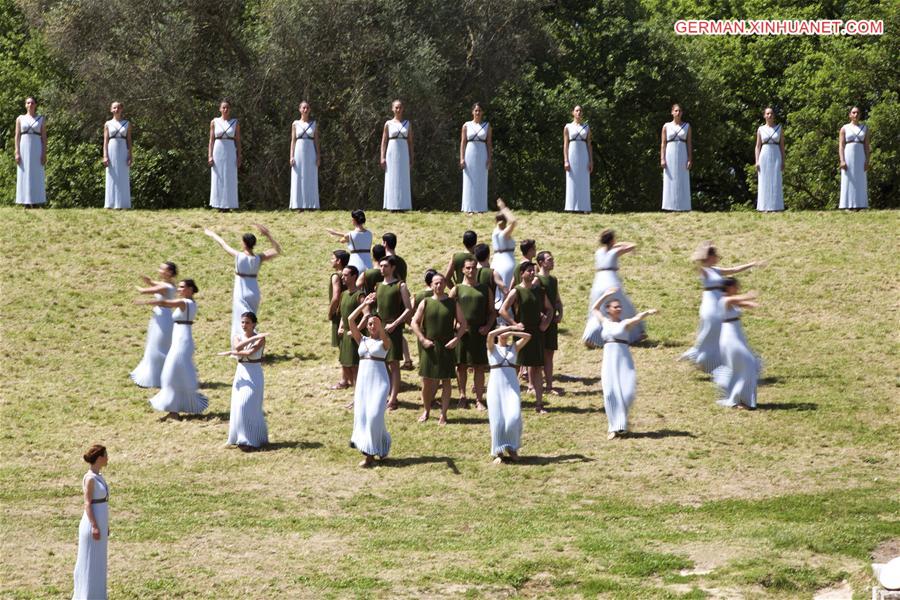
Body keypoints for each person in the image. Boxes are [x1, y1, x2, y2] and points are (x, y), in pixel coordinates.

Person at [680, 242, 763, 373]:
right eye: (715, 255)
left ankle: (711, 360)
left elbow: (734, 270)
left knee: (719, 332)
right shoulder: (705, 271)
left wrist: (751, 264)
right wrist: (703, 250)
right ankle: (698, 355)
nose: (717, 257)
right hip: (710, 305)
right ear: (709, 256)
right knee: (711, 330)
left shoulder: (715, 270)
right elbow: (694, 263)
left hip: (718, 303)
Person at [591, 288, 657, 439]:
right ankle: (613, 427)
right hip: (609, 361)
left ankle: (622, 424)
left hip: (624, 360)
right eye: (615, 306)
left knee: (627, 391)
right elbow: (595, 308)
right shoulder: (605, 322)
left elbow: (637, 318)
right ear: (608, 310)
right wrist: (606, 295)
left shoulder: (625, 323)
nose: (619, 309)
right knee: (610, 392)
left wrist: (648, 312)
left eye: (620, 306)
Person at [138, 279, 208, 418]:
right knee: (172, 374)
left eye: (182, 287)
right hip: (180, 338)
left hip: (182, 340)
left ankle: (176, 408)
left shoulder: (185, 302)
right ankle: (174, 410)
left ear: (190, 289)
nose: (179, 289)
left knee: (170, 374)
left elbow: (166, 303)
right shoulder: (189, 303)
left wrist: (146, 302)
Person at [204, 224, 282, 343]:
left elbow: (223, 244)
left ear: (244, 243)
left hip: (241, 292)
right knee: (251, 320)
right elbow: (277, 250)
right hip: (254, 292)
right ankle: (252, 344)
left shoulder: (238, 256)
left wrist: (213, 234)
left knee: (241, 320)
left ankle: (242, 346)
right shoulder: (259, 258)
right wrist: (268, 234)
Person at [411, 273, 468, 424]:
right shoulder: (426, 302)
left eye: (441, 282)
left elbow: (463, 324)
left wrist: (456, 339)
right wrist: (422, 339)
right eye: (435, 283)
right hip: (430, 347)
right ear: (431, 285)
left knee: (446, 381)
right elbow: (414, 322)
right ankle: (426, 410)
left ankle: (443, 414)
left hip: (447, 347)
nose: (439, 285)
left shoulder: (452, 303)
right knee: (427, 381)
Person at [499, 262, 553, 413]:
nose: (532, 273)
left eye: (533, 271)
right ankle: (507, 400)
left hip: (536, 333)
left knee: (536, 368)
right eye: (529, 271)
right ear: (521, 273)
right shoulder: (516, 291)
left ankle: (539, 404)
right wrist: (514, 324)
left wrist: (545, 323)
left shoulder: (539, 291)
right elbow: (503, 310)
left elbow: (549, 309)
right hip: (522, 334)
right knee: (515, 367)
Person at [347, 295, 392, 467]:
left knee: (374, 416)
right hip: (363, 385)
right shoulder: (362, 340)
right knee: (364, 417)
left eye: (376, 324)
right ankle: (372, 452)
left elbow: (386, 340)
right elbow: (351, 320)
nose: (372, 326)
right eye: (370, 324)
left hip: (380, 384)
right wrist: (364, 305)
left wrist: (380, 326)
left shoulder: (384, 343)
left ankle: (379, 445)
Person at [582, 229, 644, 347]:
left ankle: (591, 337)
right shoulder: (615, 251)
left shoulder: (598, 252)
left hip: (598, 281)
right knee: (625, 307)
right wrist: (617, 244)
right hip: (611, 280)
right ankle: (635, 334)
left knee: (597, 309)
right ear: (612, 240)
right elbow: (632, 245)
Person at [218, 312, 269, 450]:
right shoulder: (237, 337)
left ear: (254, 324)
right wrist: (254, 337)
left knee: (247, 406)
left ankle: (250, 440)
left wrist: (232, 352)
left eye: (247, 322)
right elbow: (238, 348)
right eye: (242, 322)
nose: (244, 325)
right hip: (241, 374)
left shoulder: (261, 339)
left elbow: (249, 353)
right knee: (237, 407)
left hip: (254, 374)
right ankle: (240, 438)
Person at [450, 257, 495, 410]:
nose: (471, 270)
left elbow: (492, 312)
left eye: (474, 267)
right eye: (468, 268)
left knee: (479, 367)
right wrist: (455, 325)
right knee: (461, 366)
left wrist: (488, 326)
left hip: (479, 333)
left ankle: (479, 399)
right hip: (462, 334)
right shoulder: (456, 289)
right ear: (462, 270)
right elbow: (448, 311)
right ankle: (462, 396)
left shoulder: (485, 289)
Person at [713, 277, 762, 409]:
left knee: (747, 365)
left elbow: (740, 303)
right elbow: (735, 300)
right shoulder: (724, 300)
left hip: (736, 335)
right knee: (747, 364)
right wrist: (749, 296)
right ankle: (739, 400)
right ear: (729, 287)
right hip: (730, 337)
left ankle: (740, 399)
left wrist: (750, 304)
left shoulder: (731, 301)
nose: (738, 288)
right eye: (736, 286)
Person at [486, 324, 531, 463]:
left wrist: (512, 331)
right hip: (495, 388)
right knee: (497, 421)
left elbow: (528, 336)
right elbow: (490, 335)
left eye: (506, 333)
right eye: (502, 332)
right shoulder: (492, 348)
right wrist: (507, 328)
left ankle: (512, 448)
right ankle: (498, 451)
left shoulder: (514, 347)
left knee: (513, 417)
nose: (505, 334)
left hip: (511, 387)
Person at [130, 262, 178, 388]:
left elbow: (147, 290)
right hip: (160, 317)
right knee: (153, 345)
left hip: (163, 318)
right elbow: (153, 284)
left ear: (169, 273)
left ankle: (157, 377)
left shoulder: (166, 286)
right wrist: (148, 280)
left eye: (163, 269)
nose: (160, 270)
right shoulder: (168, 284)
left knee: (158, 348)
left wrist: (138, 288)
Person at [374, 256, 412, 410]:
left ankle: (394, 398)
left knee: (393, 363)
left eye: (385, 266)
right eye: (381, 266)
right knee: (382, 362)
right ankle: (388, 393)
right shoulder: (378, 286)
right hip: (381, 327)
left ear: (392, 268)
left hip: (393, 328)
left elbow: (408, 308)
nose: (382, 269)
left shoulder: (400, 286)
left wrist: (396, 323)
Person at [72, 444, 109, 600]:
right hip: (92, 524)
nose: (108, 458)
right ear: (99, 458)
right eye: (106, 455)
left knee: (99, 561)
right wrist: (94, 525)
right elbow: (87, 503)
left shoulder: (99, 475)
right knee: (89, 561)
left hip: (100, 521)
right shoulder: (90, 478)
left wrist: (105, 525)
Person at [536, 251, 564, 395]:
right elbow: (535, 302)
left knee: (549, 354)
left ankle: (549, 385)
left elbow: (557, 300)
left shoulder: (553, 280)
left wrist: (560, 313)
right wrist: (542, 316)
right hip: (540, 323)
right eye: (549, 259)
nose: (552, 262)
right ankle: (533, 385)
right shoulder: (536, 280)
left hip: (552, 322)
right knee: (538, 354)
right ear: (541, 262)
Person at [208, 99, 241, 211]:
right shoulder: (214, 122)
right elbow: (211, 140)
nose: (225, 109)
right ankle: (218, 204)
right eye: (223, 107)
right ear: (220, 109)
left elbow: (238, 141)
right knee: (218, 177)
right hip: (218, 150)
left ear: (230, 109)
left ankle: (228, 205)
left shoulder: (235, 122)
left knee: (230, 177)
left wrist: (239, 155)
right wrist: (210, 155)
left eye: (227, 107)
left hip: (230, 150)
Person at [380, 99, 413, 211]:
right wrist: (382, 157)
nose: (398, 110)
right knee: (392, 177)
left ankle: (403, 206)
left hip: (403, 152)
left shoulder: (407, 124)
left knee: (403, 178)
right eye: (396, 107)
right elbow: (384, 141)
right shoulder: (388, 124)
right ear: (392, 109)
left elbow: (410, 142)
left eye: (400, 107)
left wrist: (411, 158)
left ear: (403, 109)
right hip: (391, 151)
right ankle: (392, 205)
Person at [14, 96, 46, 207]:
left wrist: (44, 153)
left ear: (35, 105)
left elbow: (44, 137)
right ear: (25, 105)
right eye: (28, 103)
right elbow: (17, 136)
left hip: (37, 147)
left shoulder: (40, 119)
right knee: (24, 172)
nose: (30, 105)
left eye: (32, 103)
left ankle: (36, 201)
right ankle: (25, 201)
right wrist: (17, 151)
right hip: (23, 147)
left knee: (36, 173)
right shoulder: (20, 118)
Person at [460, 102, 492, 213]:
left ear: (482, 112)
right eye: (476, 110)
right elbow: (463, 142)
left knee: (481, 181)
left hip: (482, 153)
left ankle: (481, 208)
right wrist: (462, 158)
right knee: (469, 180)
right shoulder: (466, 125)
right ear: (472, 112)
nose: (477, 113)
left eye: (479, 111)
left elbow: (489, 144)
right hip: (470, 153)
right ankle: (468, 208)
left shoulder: (487, 126)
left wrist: (489, 158)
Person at [335, 265, 363, 390]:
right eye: (343, 275)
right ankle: (355, 394)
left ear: (354, 276)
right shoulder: (344, 294)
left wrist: (356, 330)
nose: (343, 277)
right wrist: (340, 327)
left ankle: (358, 397)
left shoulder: (360, 295)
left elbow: (367, 315)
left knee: (355, 367)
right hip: (345, 335)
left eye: (346, 275)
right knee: (346, 365)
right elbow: (343, 314)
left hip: (354, 337)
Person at [289, 100, 320, 210]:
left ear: (309, 109)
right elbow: (293, 141)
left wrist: (318, 156)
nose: (305, 110)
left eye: (307, 108)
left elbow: (316, 141)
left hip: (310, 151)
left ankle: (311, 205)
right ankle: (299, 205)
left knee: (311, 176)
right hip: (298, 151)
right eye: (303, 108)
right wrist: (291, 156)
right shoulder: (295, 124)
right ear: (300, 109)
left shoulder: (313, 124)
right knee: (299, 177)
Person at [660, 103, 692, 211]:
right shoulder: (666, 126)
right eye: (676, 111)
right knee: (670, 179)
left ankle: (684, 206)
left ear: (682, 113)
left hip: (682, 154)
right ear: (672, 112)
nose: (678, 113)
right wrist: (662, 158)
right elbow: (663, 143)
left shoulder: (687, 126)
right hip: (670, 154)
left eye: (680, 111)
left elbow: (689, 144)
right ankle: (669, 206)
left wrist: (689, 158)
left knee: (682, 179)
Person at [839, 106, 870, 210]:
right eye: (853, 112)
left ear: (860, 115)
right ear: (850, 115)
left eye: (857, 112)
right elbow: (841, 145)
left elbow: (866, 146)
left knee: (861, 180)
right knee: (848, 179)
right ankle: (847, 205)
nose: (855, 114)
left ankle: (861, 205)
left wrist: (867, 160)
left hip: (860, 156)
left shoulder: (864, 128)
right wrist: (842, 160)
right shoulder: (844, 128)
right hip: (848, 156)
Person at [103, 101, 132, 209]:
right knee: (112, 175)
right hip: (111, 149)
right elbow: (105, 141)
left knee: (123, 176)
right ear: (111, 110)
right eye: (114, 108)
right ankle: (110, 204)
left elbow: (129, 140)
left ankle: (123, 204)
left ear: (122, 109)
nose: (116, 110)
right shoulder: (107, 124)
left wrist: (130, 155)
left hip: (123, 149)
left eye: (118, 108)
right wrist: (105, 156)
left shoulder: (127, 123)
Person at [563, 105, 592, 213]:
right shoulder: (568, 127)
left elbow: (589, 145)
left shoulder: (587, 127)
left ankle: (584, 207)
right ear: (573, 113)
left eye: (580, 111)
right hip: (572, 154)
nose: (579, 112)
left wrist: (591, 160)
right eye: (577, 110)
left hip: (583, 155)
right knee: (572, 179)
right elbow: (565, 144)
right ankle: (571, 207)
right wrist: (566, 160)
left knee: (584, 180)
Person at [755, 107, 785, 212]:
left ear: (774, 115)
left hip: (776, 154)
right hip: (764, 154)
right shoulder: (761, 129)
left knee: (776, 180)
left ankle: (776, 207)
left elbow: (782, 146)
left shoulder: (779, 128)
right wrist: (757, 161)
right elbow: (758, 146)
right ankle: (764, 207)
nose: (769, 115)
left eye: (771, 113)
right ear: (764, 116)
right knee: (764, 180)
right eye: (767, 114)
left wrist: (783, 160)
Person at [490, 199, 517, 308]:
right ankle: (505, 314)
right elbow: (514, 221)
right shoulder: (504, 234)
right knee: (507, 290)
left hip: (496, 262)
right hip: (507, 263)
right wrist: (503, 208)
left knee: (498, 292)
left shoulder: (495, 231)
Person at [328, 250, 351, 359]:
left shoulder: (336, 276)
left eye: (333, 258)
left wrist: (330, 311)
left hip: (339, 312)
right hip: (349, 308)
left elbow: (336, 296)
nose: (331, 260)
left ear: (339, 261)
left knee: (341, 340)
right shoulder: (350, 273)